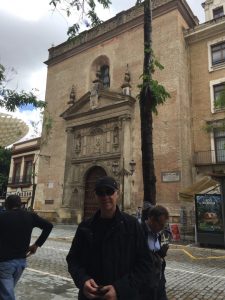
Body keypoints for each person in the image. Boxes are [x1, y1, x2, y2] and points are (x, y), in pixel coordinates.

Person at [66, 176, 156, 300]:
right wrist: (83, 281)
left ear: (117, 194)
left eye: (109, 192)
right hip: (91, 296)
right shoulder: (85, 227)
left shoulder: (132, 225)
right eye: (100, 193)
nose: (105, 197)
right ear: (95, 196)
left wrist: (119, 289)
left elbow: (145, 264)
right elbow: (73, 260)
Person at [0, 194, 53, 300]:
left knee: (6, 295)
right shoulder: (30, 216)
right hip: (21, 262)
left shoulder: (2, 217)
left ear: (7, 205)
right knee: (5, 292)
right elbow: (49, 226)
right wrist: (36, 245)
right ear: (20, 204)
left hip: (4, 263)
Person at [141, 205, 170, 300]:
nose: (162, 228)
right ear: (152, 219)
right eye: (161, 225)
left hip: (158, 281)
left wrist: (160, 254)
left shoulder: (157, 232)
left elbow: (155, 252)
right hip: (145, 283)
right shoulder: (139, 231)